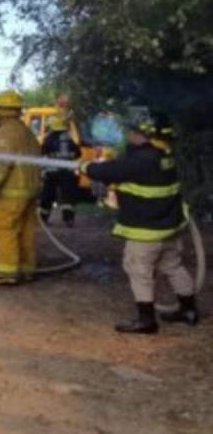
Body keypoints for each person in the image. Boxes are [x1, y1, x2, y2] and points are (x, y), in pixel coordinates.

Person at [80, 111, 198, 334]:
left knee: (138, 270)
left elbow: (106, 171)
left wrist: (85, 167)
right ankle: (189, 310)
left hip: (146, 231)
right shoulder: (165, 156)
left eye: (133, 131)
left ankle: (146, 321)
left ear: (145, 135)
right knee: (173, 266)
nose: (129, 135)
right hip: (169, 228)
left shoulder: (140, 161)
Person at [0, 90, 43, 285]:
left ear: (1, 110)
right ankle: (26, 269)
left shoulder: (5, 134)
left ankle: (5, 273)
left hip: (9, 193)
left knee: (5, 229)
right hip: (29, 191)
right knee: (26, 231)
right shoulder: (26, 132)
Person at [40, 116, 81, 227]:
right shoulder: (68, 138)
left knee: (47, 196)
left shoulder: (48, 138)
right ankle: (69, 220)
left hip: (51, 172)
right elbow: (78, 153)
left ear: (52, 127)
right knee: (68, 197)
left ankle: (43, 219)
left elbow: (42, 152)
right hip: (67, 172)